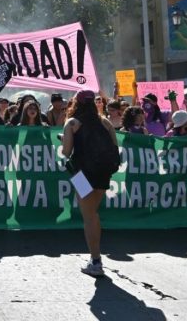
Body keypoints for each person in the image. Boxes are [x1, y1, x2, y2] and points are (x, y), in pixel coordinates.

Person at [60, 90, 118, 277]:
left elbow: (66, 152)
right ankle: (95, 258)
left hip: (81, 174)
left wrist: (64, 142)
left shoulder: (72, 123)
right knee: (94, 213)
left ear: (75, 103)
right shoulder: (105, 122)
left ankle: (96, 261)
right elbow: (115, 148)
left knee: (89, 216)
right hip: (103, 172)